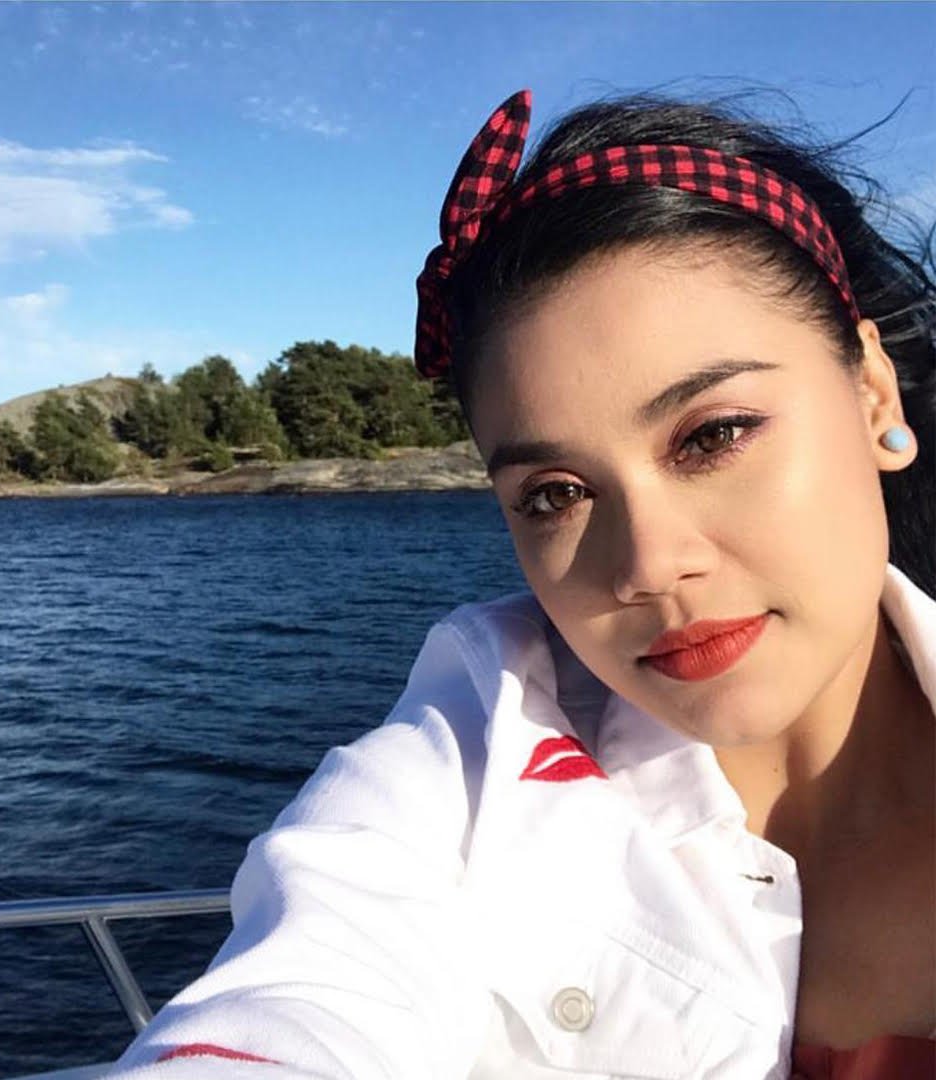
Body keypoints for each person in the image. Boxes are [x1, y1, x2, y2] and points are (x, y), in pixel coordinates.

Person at [110, 89, 936, 1079]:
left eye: (714, 434)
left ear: (871, 392)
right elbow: (300, 997)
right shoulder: (475, 757)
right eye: (555, 494)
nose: (646, 565)